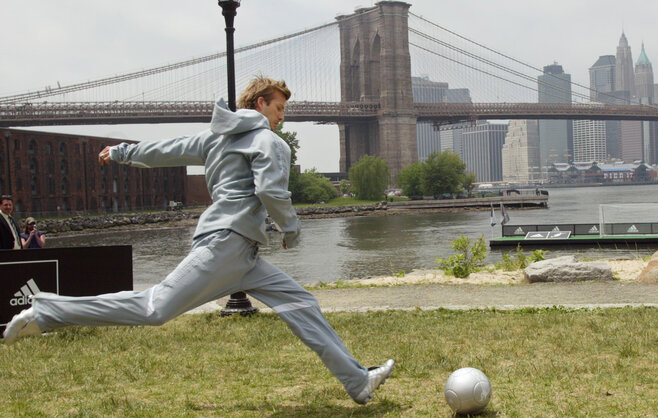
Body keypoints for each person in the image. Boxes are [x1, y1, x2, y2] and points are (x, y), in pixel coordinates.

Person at [3, 76, 394, 405]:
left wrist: (122, 152)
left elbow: (166, 150)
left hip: (243, 256)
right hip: (226, 247)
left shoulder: (214, 137)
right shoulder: (270, 142)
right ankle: (48, 313)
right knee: (155, 308)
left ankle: (357, 381)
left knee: (302, 303)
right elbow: (272, 192)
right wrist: (291, 230)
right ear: (260, 103)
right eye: (279, 108)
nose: (281, 117)